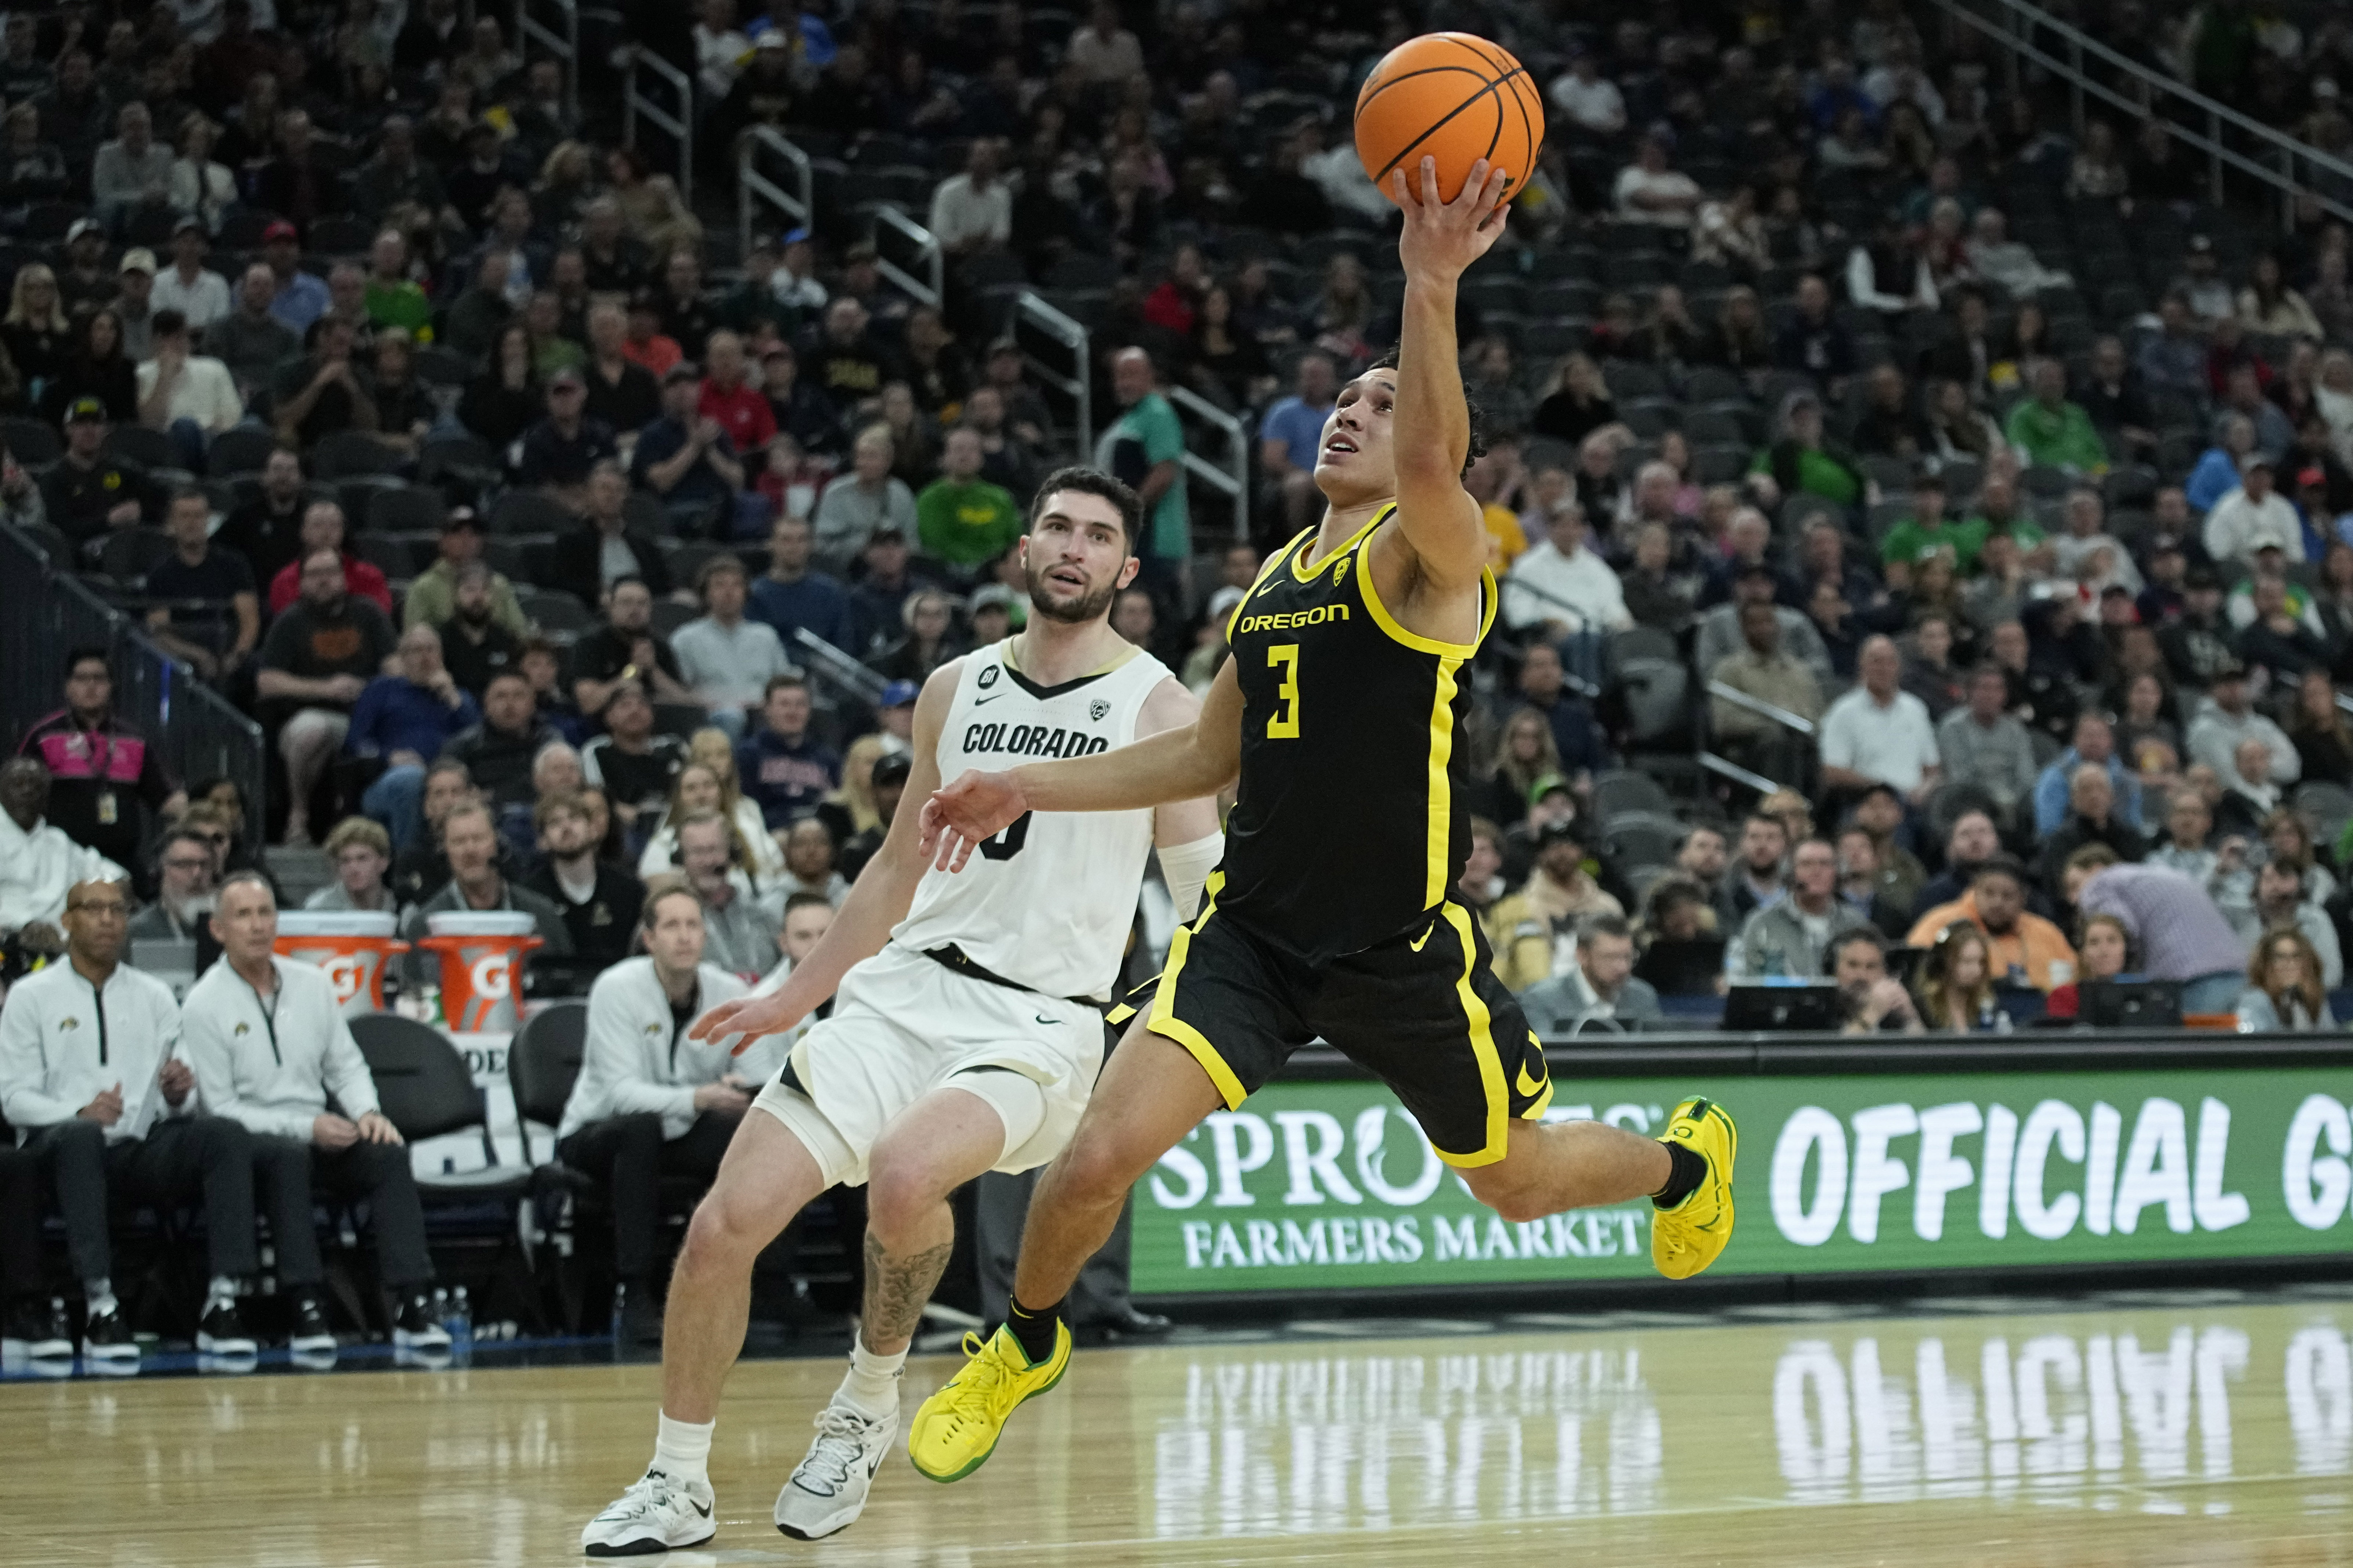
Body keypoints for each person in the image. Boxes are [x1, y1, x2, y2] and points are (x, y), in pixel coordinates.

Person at [908, 158, 1734, 1486]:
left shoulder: (1433, 554)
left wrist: (1430, 284)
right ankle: (1027, 1338)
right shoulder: (1277, 581)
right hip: (1254, 934)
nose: (1351, 415)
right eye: (1342, 399)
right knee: (1093, 1153)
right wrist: (1029, 779)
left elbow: (1431, 458)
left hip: (1395, 945)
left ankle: (1683, 1167)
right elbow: (1201, 752)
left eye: (1380, 401)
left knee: (1513, 1182)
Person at [576, 465, 1221, 1552]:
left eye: (1096, 535)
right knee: (721, 1227)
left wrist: (1190, 1028)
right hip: (899, 993)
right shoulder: (951, 687)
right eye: (1054, 526)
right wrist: (794, 992)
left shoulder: (1161, 707)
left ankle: (862, 1407)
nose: (1071, 547)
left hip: (1038, 1021)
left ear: (1124, 566)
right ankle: (676, 1483)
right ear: (1022, 549)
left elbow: (1202, 888)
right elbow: (890, 870)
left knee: (909, 1174)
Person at [181, 873, 451, 1356]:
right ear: (218, 930)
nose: (258, 925)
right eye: (243, 915)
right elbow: (218, 1109)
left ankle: (413, 1300)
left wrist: (367, 1111)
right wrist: (307, 1127)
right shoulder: (203, 1003)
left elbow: (345, 1064)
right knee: (288, 1157)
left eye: (265, 913)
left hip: (320, 1128)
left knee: (386, 1152)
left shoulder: (311, 983)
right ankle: (306, 1301)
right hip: (254, 1143)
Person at [0, 876, 261, 1362]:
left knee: (223, 1133)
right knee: (81, 1137)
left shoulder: (155, 993)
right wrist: (77, 1112)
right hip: (56, 1151)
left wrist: (179, 1093)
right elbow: (13, 1098)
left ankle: (223, 1300)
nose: (106, 919)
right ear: (66, 920)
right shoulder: (31, 996)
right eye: (93, 908)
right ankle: (101, 1305)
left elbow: (178, 1094)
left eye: (117, 909)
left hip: (139, 1144)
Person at [555, 885, 762, 1341]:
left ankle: (756, 1286)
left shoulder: (729, 991)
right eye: (671, 926)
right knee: (640, 1129)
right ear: (649, 939)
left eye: (693, 925)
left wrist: (739, 1089)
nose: (684, 937)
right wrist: (699, 1097)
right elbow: (620, 1095)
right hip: (596, 1134)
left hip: (676, 1136)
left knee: (755, 1129)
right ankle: (635, 1293)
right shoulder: (617, 988)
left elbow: (757, 1073)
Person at [256, 550, 399, 845]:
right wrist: (326, 689)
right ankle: (299, 815)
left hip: (366, 717)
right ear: (302, 583)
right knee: (312, 732)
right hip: (308, 715)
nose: (324, 581)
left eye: (331, 573)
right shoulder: (290, 621)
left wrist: (367, 689)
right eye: (315, 575)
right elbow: (267, 682)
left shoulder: (369, 613)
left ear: (344, 578)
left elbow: (394, 667)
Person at [16, 647, 184, 882]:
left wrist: (204, 814)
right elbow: (17, 800)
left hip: (122, 865)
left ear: (111, 687)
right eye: (82, 679)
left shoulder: (133, 740)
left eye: (99, 679)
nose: (91, 686)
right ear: (68, 687)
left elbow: (166, 799)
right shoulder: (44, 736)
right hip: (59, 868)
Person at [2060, 845, 2250, 1014]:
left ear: (2096, 869)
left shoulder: (2099, 884)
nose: (2073, 899)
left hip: (2192, 977)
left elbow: (2121, 928)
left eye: (2075, 886)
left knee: (2195, 1051)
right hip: (2234, 971)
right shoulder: (2152, 876)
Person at [348, 625, 481, 855]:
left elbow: (481, 741)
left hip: (445, 779)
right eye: (416, 651)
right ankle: (409, 866)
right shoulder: (382, 690)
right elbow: (355, 744)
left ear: (441, 656)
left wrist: (453, 699)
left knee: (451, 790)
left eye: (431, 650)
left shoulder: (459, 698)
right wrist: (388, 757)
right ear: (403, 658)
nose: (424, 657)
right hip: (389, 782)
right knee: (412, 780)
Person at [397, 801, 574, 967]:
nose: (470, 850)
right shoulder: (426, 926)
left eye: (479, 838)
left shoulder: (542, 915)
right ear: (446, 851)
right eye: (459, 842)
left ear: (497, 843)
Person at [0, 759, 130, 945]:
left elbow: (102, 871)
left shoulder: (57, 841)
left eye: (36, 787)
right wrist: (25, 926)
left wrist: (118, 884)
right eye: (18, 784)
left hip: (61, 944)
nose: (27, 791)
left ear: (46, 796)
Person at [1906, 855, 2077, 992]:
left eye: (2008, 896)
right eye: (1989, 893)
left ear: (2023, 898)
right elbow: (1919, 978)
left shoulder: (2046, 933)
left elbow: (2072, 980)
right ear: (1975, 890)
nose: (1997, 903)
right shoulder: (1940, 924)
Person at [144, 485, 260, 685]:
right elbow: (159, 632)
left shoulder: (234, 565)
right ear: (172, 523)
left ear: (208, 520)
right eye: (185, 516)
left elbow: (250, 622)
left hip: (229, 652)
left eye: (198, 516)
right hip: (184, 658)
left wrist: (235, 658)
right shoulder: (160, 575)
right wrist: (198, 656)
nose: (192, 523)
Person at [673, 555, 795, 738]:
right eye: (719, 585)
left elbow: (785, 685)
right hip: (710, 723)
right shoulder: (686, 638)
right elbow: (679, 691)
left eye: (737, 585)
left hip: (764, 720)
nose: (729, 592)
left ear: (746, 592)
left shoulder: (766, 636)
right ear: (706, 593)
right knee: (731, 718)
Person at [523, 791, 646, 969]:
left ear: (593, 830)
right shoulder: (530, 895)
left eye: (575, 818)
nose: (566, 827)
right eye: (555, 823)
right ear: (542, 841)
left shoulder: (630, 890)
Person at [1817, 635, 1941, 805]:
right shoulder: (1843, 712)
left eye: (1891, 663)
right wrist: (1881, 789)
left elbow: (1932, 769)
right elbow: (1832, 771)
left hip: (1914, 803)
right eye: (1877, 662)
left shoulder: (1916, 709)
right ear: (1863, 665)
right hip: (1865, 801)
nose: (1884, 669)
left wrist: (1924, 791)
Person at [1732, 836, 1873, 980]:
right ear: (1791, 873)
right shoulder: (1763, 922)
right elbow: (1746, 979)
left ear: (1838, 872)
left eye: (1825, 864)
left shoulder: (1855, 923)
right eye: (1807, 864)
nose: (1817, 872)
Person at [1517, 912, 1662, 1033]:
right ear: (1582, 956)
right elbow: (1542, 1059)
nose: (1623, 967)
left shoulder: (1643, 997)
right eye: (1610, 957)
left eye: (1628, 957)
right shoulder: (1542, 1000)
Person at [570, 575, 690, 720]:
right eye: (626, 603)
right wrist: (633, 670)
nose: (635, 610)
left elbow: (684, 705)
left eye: (642, 604)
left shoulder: (660, 646)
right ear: (611, 607)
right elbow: (589, 704)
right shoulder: (590, 644)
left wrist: (653, 670)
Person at [581, 683, 690, 838]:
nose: (635, 711)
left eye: (642, 704)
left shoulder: (675, 746)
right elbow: (597, 798)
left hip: (676, 824)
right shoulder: (597, 751)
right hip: (624, 829)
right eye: (625, 705)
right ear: (609, 717)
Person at [1936, 663, 2038, 820]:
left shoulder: (2015, 730)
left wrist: (2013, 800)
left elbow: (2026, 775)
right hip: (1972, 803)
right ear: (1970, 692)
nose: (1990, 695)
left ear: (2005, 695)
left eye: (1997, 689)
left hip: (2015, 803)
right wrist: (1996, 801)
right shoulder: (1953, 728)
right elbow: (1959, 777)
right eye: (1984, 688)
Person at [735, 676, 840, 829]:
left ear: (810, 711)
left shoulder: (828, 759)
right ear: (767, 709)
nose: (793, 712)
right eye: (784, 705)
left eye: (800, 705)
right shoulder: (748, 756)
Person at [749, 513, 859, 654]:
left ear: (811, 545)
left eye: (801, 540)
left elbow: (844, 648)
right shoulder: (754, 595)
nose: (794, 547)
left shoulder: (832, 594)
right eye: (786, 540)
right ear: (771, 544)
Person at [2235, 925, 2336, 1031]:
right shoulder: (2255, 1000)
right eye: (2281, 957)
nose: (2290, 964)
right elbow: (2256, 1044)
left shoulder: (2315, 998)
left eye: (2296, 957)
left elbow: (2331, 1041)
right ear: (2266, 965)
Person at [1828, 927, 1926, 1034]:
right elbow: (1839, 1050)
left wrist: (1911, 1019)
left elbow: (1927, 1049)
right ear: (1833, 970)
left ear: (1885, 974)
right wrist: (1870, 1015)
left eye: (1871, 967)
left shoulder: (1895, 1013)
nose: (1862, 976)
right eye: (1853, 965)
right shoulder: (1819, 1011)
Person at [130, 826, 220, 939]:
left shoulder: (228, 926)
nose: (197, 873)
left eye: (205, 865)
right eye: (185, 864)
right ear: (161, 871)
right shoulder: (138, 931)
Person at [2043, 912, 2134, 1020]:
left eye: (2112, 941)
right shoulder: (2064, 997)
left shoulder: (2142, 994)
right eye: (2094, 943)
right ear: (2083, 954)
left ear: (2125, 950)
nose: (2104, 951)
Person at [1913, 921, 2000, 1031]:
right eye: (1967, 962)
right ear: (1944, 962)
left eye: (1981, 962)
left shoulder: (1987, 1004)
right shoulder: (1923, 1007)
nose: (1977, 971)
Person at [306, 816, 398, 913]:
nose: (353, 868)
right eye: (345, 861)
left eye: (362, 859)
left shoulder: (400, 907)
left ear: (383, 862)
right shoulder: (320, 909)